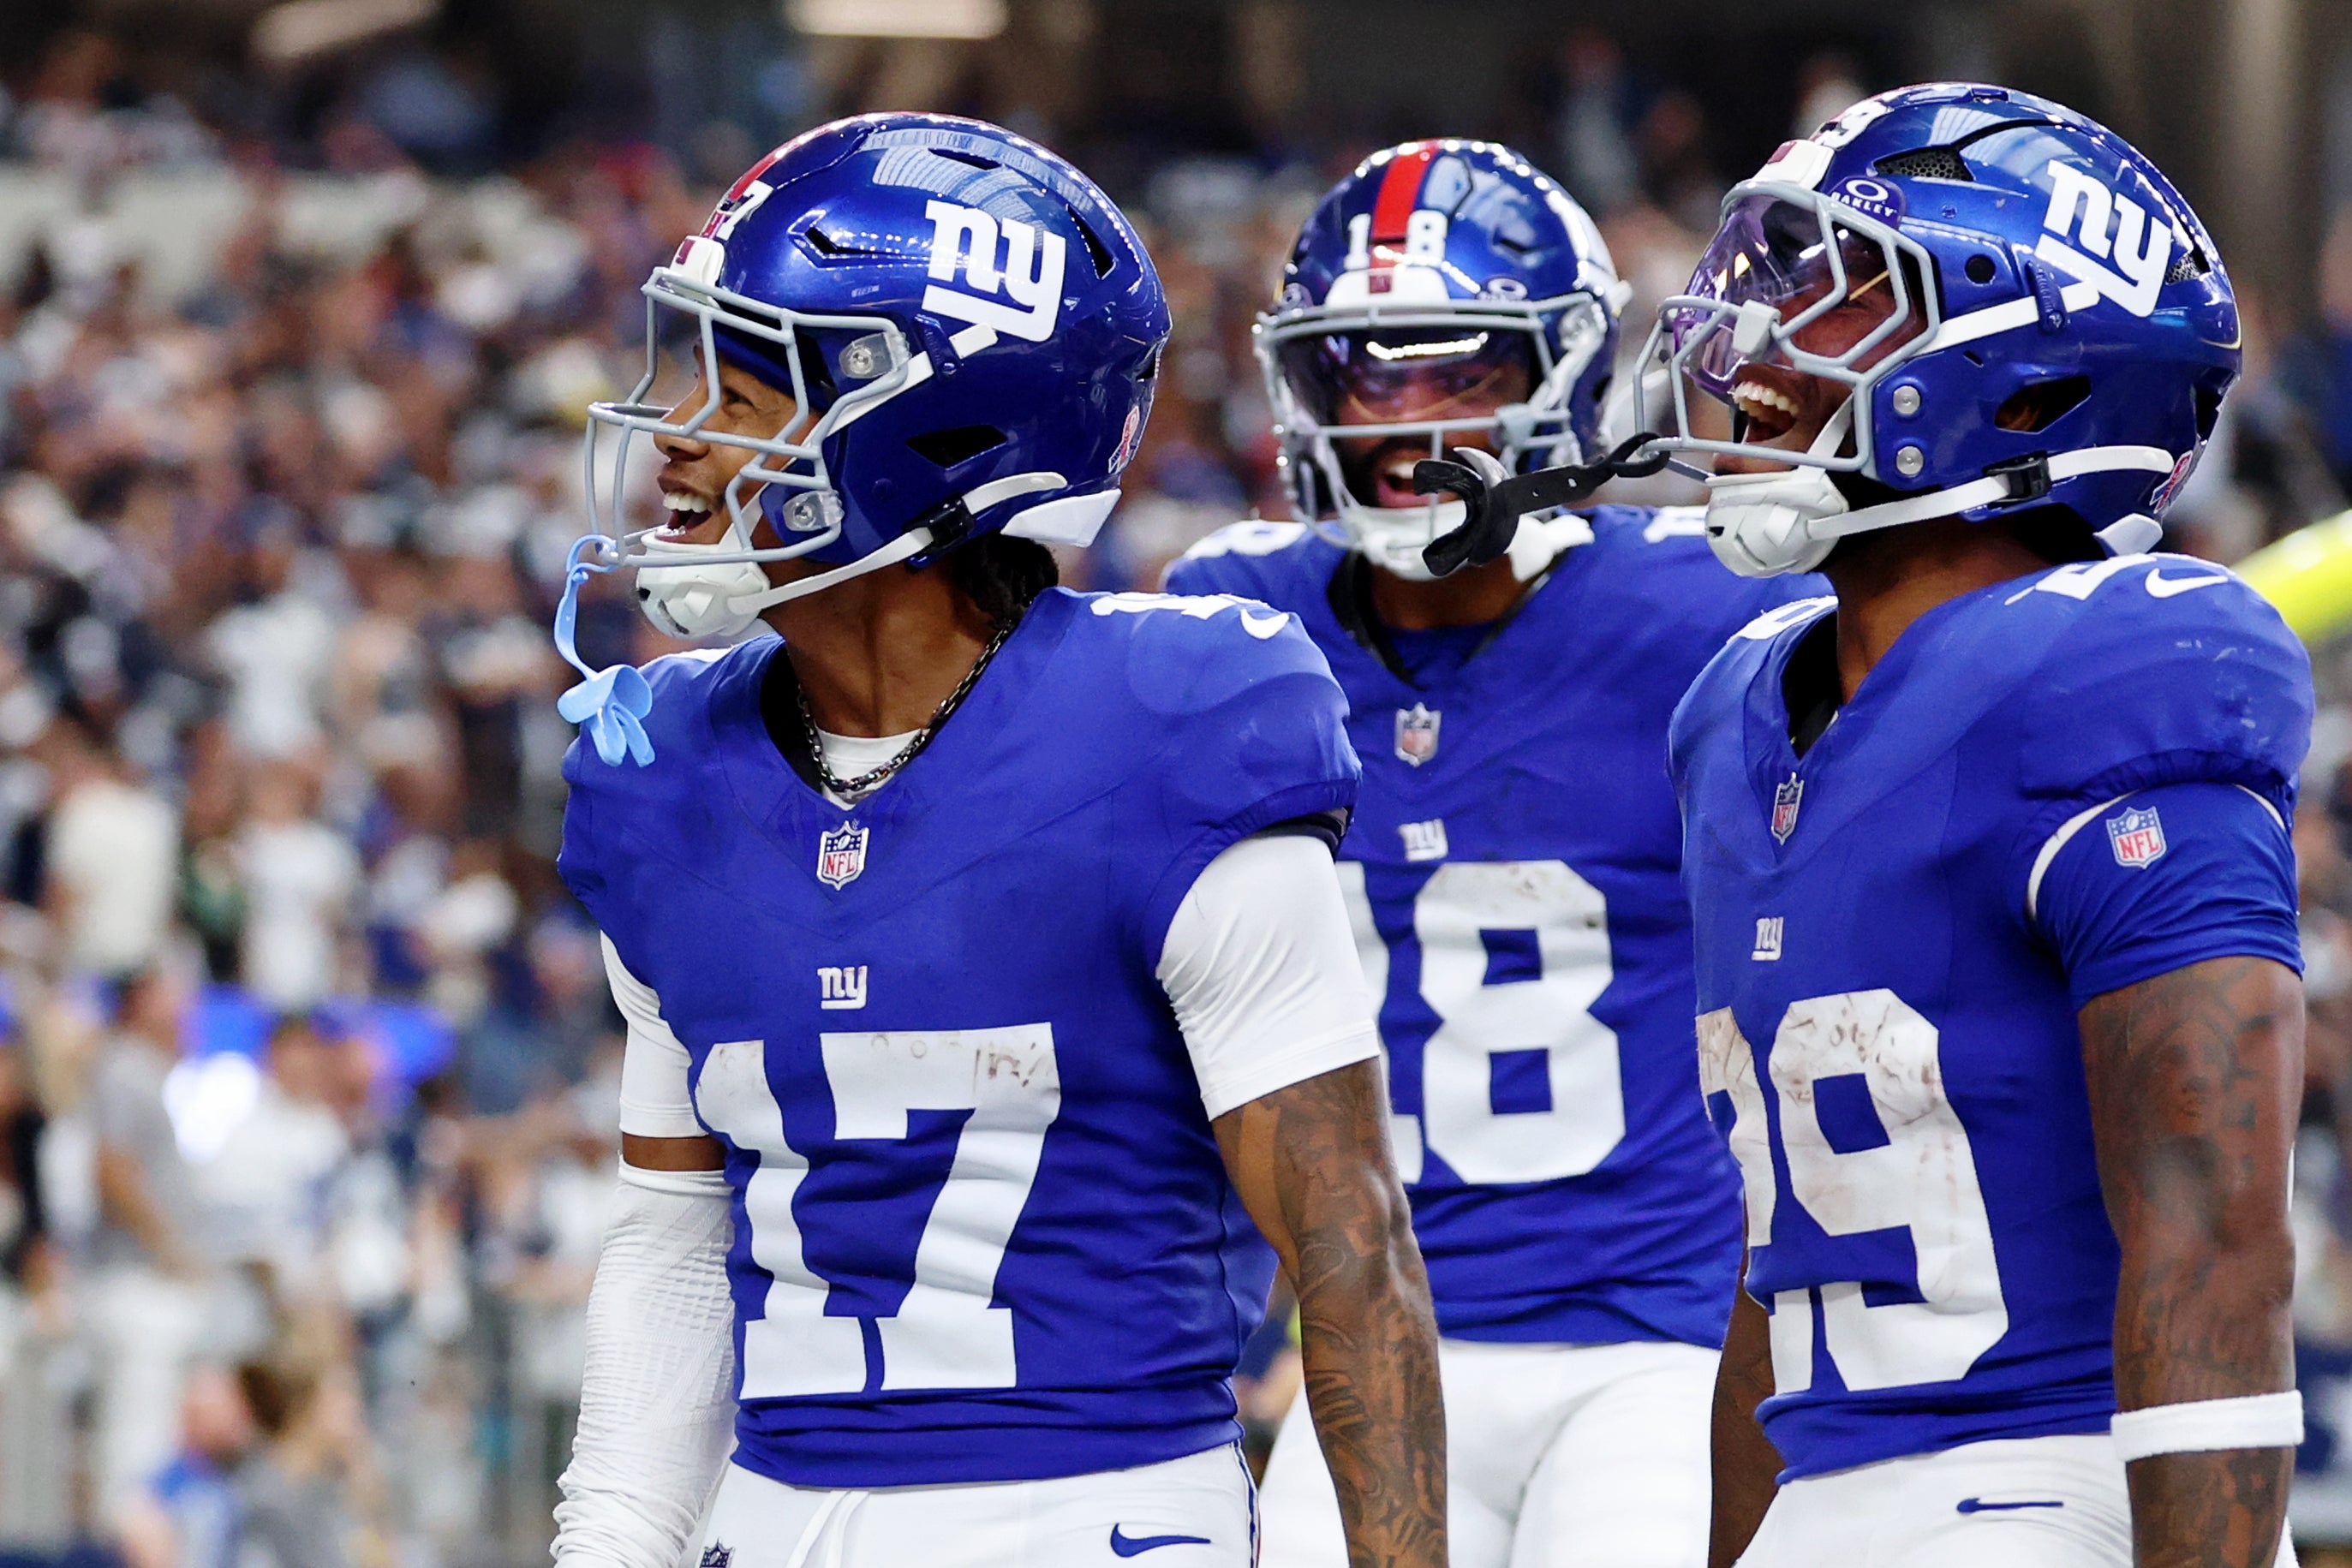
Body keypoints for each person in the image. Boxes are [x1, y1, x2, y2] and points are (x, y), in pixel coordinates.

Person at [546, 114, 1445, 1568]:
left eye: (744, 380)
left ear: (925, 429)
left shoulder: (1169, 725)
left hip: (1092, 1515)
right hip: (771, 1521)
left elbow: (1348, 1248)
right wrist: (607, 1546)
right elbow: (674, 1243)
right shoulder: (662, 773)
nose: (679, 434)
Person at [1611, 83, 2304, 1564]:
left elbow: (2215, 1241)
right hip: (1831, 1495)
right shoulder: (1737, 708)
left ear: (2028, 370)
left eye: (1838, 295)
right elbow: (1774, 1262)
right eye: (1766, 273)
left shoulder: (2116, 665)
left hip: (2051, 1487)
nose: (1756, 341)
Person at [1170, 139, 1813, 1568]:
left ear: (1559, 380)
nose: (1407, 424)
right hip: (1368, 1334)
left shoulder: (1707, 621)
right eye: (1364, 375)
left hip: (1652, 1332)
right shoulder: (1229, 629)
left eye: (1459, 373)